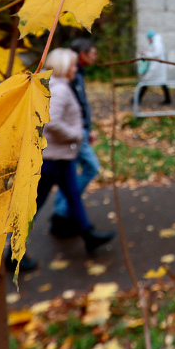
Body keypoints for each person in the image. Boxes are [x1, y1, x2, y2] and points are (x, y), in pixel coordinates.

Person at [6, 48, 114, 273]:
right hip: (52, 159)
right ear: (65, 67)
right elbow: (52, 122)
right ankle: (13, 255)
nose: (77, 69)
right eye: (74, 65)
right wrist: (76, 135)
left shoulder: (54, 86)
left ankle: (88, 234)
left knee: (73, 196)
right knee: (33, 208)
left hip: (62, 157)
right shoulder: (61, 90)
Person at [50, 38, 102, 238]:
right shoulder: (65, 83)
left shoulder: (74, 77)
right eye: (93, 53)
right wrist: (78, 132)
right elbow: (57, 118)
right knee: (90, 168)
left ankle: (66, 220)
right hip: (71, 139)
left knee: (68, 180)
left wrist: (86, 128)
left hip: (77, 135)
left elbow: (78, 107)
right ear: (82, 55)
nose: (95, 57)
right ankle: (62, 215)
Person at [137, 30, 171, 105]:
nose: (147, 40)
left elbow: (156, 54)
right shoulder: (155, 42)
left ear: (150, 37)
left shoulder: (157, 43)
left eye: (148, 38)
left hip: (157, 67)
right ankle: (168, 99)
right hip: (157, 66)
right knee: (161, 82)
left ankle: (138, 98)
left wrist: (146, 54)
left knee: (146, 81)